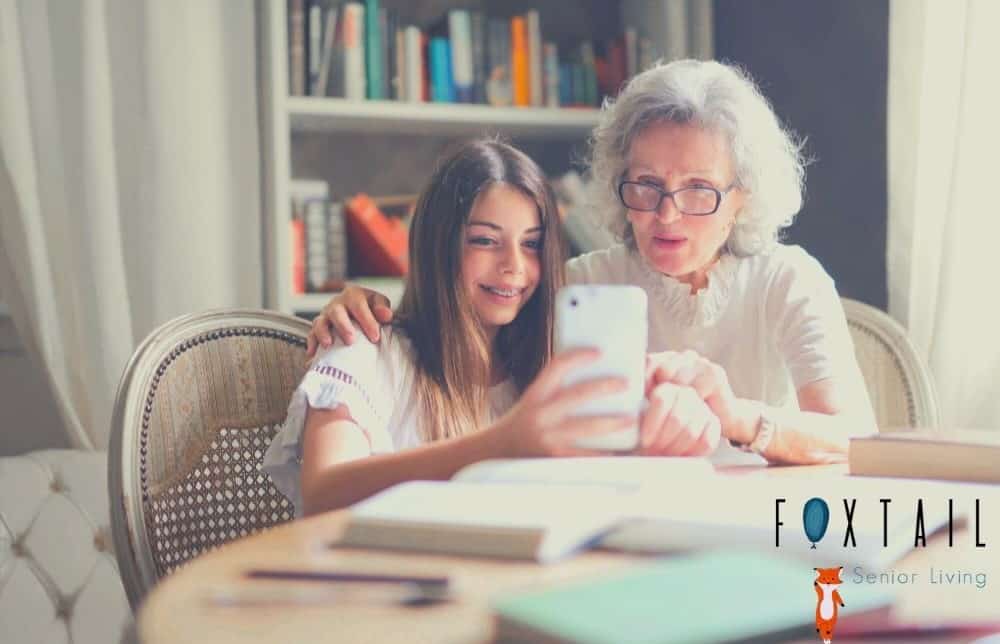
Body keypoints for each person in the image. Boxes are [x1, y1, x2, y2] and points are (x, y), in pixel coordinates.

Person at [308, 60, 877, 466]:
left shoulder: (787, 278)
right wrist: (361, 306)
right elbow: (463, 331)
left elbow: (857, 440)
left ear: (741, 198)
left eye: (699, 190)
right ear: (617, 181)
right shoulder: (578, 285)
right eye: (647, 185)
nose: (667, 215)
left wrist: (739, 417)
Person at [263, 140, 720, 517]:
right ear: (438, 245)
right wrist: (501, 444)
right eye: (484, 241)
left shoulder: (548, 368)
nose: (514, 268)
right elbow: (323, 492)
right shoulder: (364, 347)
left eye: (532, 245)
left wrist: (669, 427)